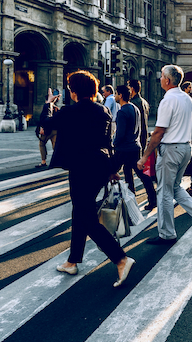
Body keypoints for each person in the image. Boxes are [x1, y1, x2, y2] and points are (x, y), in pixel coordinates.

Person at [43, 71, 135, 287]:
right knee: (80, 211)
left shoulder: (70, 111)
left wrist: (48, 104)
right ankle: (72, 260)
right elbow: (108, 142)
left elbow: (46, 123)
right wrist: (112, 169)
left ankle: (121, 259)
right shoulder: (103, 110)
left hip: (81, 168)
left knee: (87, 218)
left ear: (74, 91)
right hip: (100, 166)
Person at [137, 64, 192, 245]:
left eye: (161, 76)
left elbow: (158, 132)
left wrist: (145, 156)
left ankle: (167, 234)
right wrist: (180, 125)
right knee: (176, 187)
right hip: (186, 148)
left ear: (167, 80)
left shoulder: (167, 100)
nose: (160, 78)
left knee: (163, 192)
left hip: (171, 149)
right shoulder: (187, 98)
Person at [111, 84, 157, 209]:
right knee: (141, 174)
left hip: (123, 149)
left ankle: (107, 201)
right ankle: (152, 199)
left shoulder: (122, 111)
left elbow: (120, 133)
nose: (115, 96)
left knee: (109, 171)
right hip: (135, 146)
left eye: (116, 93)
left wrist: (114, 144)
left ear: (120, 95)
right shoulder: (134, 108)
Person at [35, 91, 59, 168]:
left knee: (42, 144)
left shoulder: (47, 107)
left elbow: (43, 119)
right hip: (55, 130)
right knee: (55, 146)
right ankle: (57, 161)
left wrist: (42, 128)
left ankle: (43, 161)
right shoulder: (56, 108)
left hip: (47, 130)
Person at [128, 79, 150, 152]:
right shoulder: (144, 102)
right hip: (144, 136)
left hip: (136, 138)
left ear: (132, 89)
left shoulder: (133, 103)